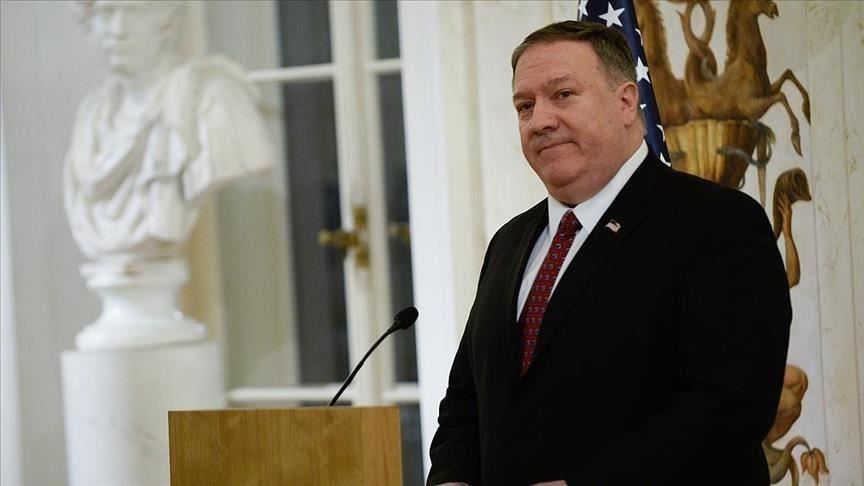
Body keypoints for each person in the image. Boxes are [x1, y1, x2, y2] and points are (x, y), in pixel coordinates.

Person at [427, 21, 791, 485]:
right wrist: (452, 479)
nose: (539, 121)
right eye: (525, 106)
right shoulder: (509, 242)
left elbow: (730, 406)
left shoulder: (717, 223)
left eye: (562, 95)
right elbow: (467, 398)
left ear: (625, 102)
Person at [64, 0, 272, 260]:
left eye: (135, 11)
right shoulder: (91, 117)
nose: (118, 30)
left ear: (168, 19)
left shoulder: (214, 103)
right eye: (106, 12)